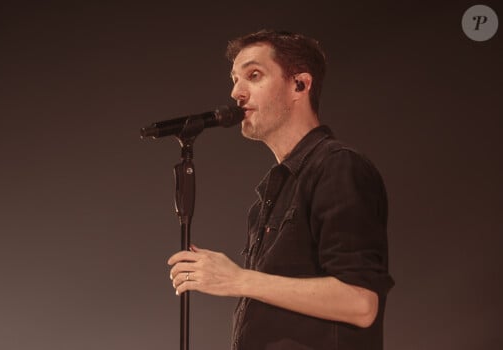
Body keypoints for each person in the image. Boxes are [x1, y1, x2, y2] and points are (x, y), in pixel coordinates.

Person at [167, 29, 394, 350]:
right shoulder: (267, 201)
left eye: (254, 75)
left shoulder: (337, 166)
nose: (236, 93)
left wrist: (237, 279)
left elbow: (361, 303)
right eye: (234, 79)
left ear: (300, 85)